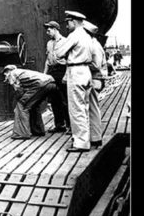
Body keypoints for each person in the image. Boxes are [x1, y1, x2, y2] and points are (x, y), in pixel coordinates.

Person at [54, 11, 93, 152]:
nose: (66, 25)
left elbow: (58, 53)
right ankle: (86, 139)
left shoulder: (74, 35)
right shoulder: (87, 36)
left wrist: (59, 43)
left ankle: (80, 143)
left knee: (76, 109)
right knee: (84, 107)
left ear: (74, 21)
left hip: (75, 72)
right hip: (86, 71)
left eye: (68, 22)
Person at [2, 65, 56, 140]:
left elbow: (19, 90)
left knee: (22, 105)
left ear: (7, 71)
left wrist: (18, 102)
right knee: (34, 106)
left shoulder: (12, 74)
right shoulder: (22, 72)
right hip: (51, 83)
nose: (5, 76)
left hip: (40, 84)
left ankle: (21, 133)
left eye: (5, 73)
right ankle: (37, 130)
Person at [42, 21, 71, 134]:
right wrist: (44, 75)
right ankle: (59, 125)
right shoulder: (49, 43)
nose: (47, 32)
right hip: (52, 72)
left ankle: (70, 126)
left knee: (65, 100)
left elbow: (69, 59)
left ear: (55, 29)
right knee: (54, 100)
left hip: (62, 71)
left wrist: (66, 75)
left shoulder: (65, 42)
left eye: (49, 30)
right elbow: (47, 60)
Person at [83, 21, 105, 148]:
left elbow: (96, 65)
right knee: (92, 108)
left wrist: (81, 63)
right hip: (95, 78)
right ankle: (94, 137)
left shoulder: (94, 45)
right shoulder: (94, 44)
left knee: (92, 109)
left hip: (95, 79)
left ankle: (96, 138)